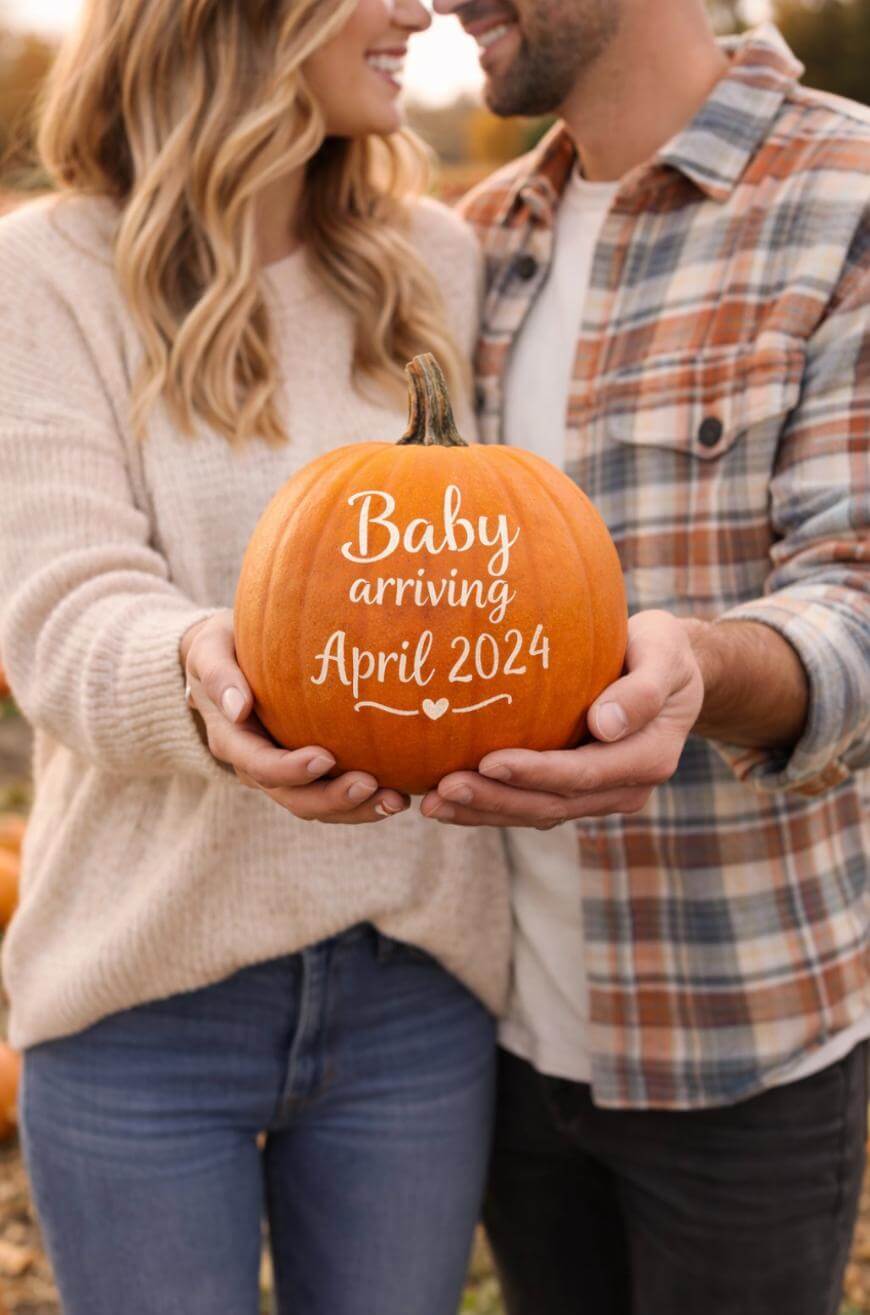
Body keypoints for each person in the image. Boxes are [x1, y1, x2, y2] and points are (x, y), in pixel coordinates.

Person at [0, 3, 512, 1313]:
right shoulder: (44, 275)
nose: (415, 10)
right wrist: (212, 680)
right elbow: (59, 604)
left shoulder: (436, 266)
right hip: (141, 992)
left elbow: (516, 571)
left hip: (413, 982)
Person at [426, 2, 870, 1312]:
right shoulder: (476, 239)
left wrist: (701, 666)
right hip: (497, 1029)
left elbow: (854, 594)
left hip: (735, 1042)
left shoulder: (842, 195)